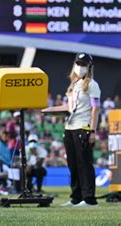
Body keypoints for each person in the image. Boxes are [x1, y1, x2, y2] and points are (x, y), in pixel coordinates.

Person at [43, 53, 100, 207]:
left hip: (83, 127)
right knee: (73, 164)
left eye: (83, 64)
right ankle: (76, 197)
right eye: (78, 63)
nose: (80, 67)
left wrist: (92, 131)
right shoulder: (74, 85)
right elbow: (69, 107)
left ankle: (89, 199)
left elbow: (95, 109)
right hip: (69, 127)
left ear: (89, 67)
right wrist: (49, 109)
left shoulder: (92, 85)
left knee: (84, 164)